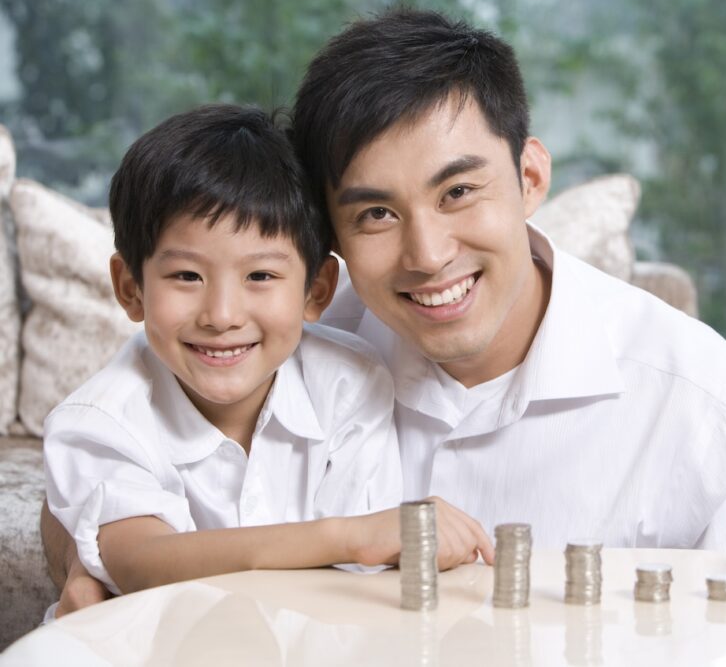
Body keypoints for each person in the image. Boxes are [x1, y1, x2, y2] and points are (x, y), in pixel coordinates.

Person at [45, 9, 726, 613]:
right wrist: (84, 576)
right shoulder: (294, 330)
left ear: (530, 177)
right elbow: (104, 469)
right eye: (376, 213)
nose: (426, 254)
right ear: (330, 248)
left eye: (459, 191)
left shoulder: (702, 400)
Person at [41, 104, 493, 617]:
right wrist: (347, 537)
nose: (222, 315)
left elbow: (364, 586)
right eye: (187, 276)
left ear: (317, 289)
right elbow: (141, 562)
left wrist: (362, 545)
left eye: (260, 277)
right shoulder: (99, 421)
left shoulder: (350, 384)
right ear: (130, 288)